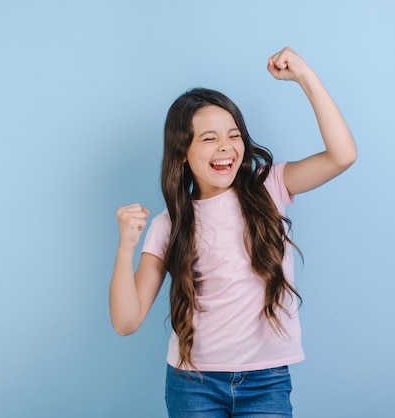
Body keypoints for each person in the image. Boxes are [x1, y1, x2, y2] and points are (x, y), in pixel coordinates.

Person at [109, 46, 357, 417]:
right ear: (182, 153)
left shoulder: (268, 188)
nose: (225, 146)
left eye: (233, 135)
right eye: (208, 138)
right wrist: (125, 247)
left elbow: (342, 155)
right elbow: (126, 322)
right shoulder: (169, 224)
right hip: (194, 385)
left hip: (266, 379)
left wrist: (305, 76)